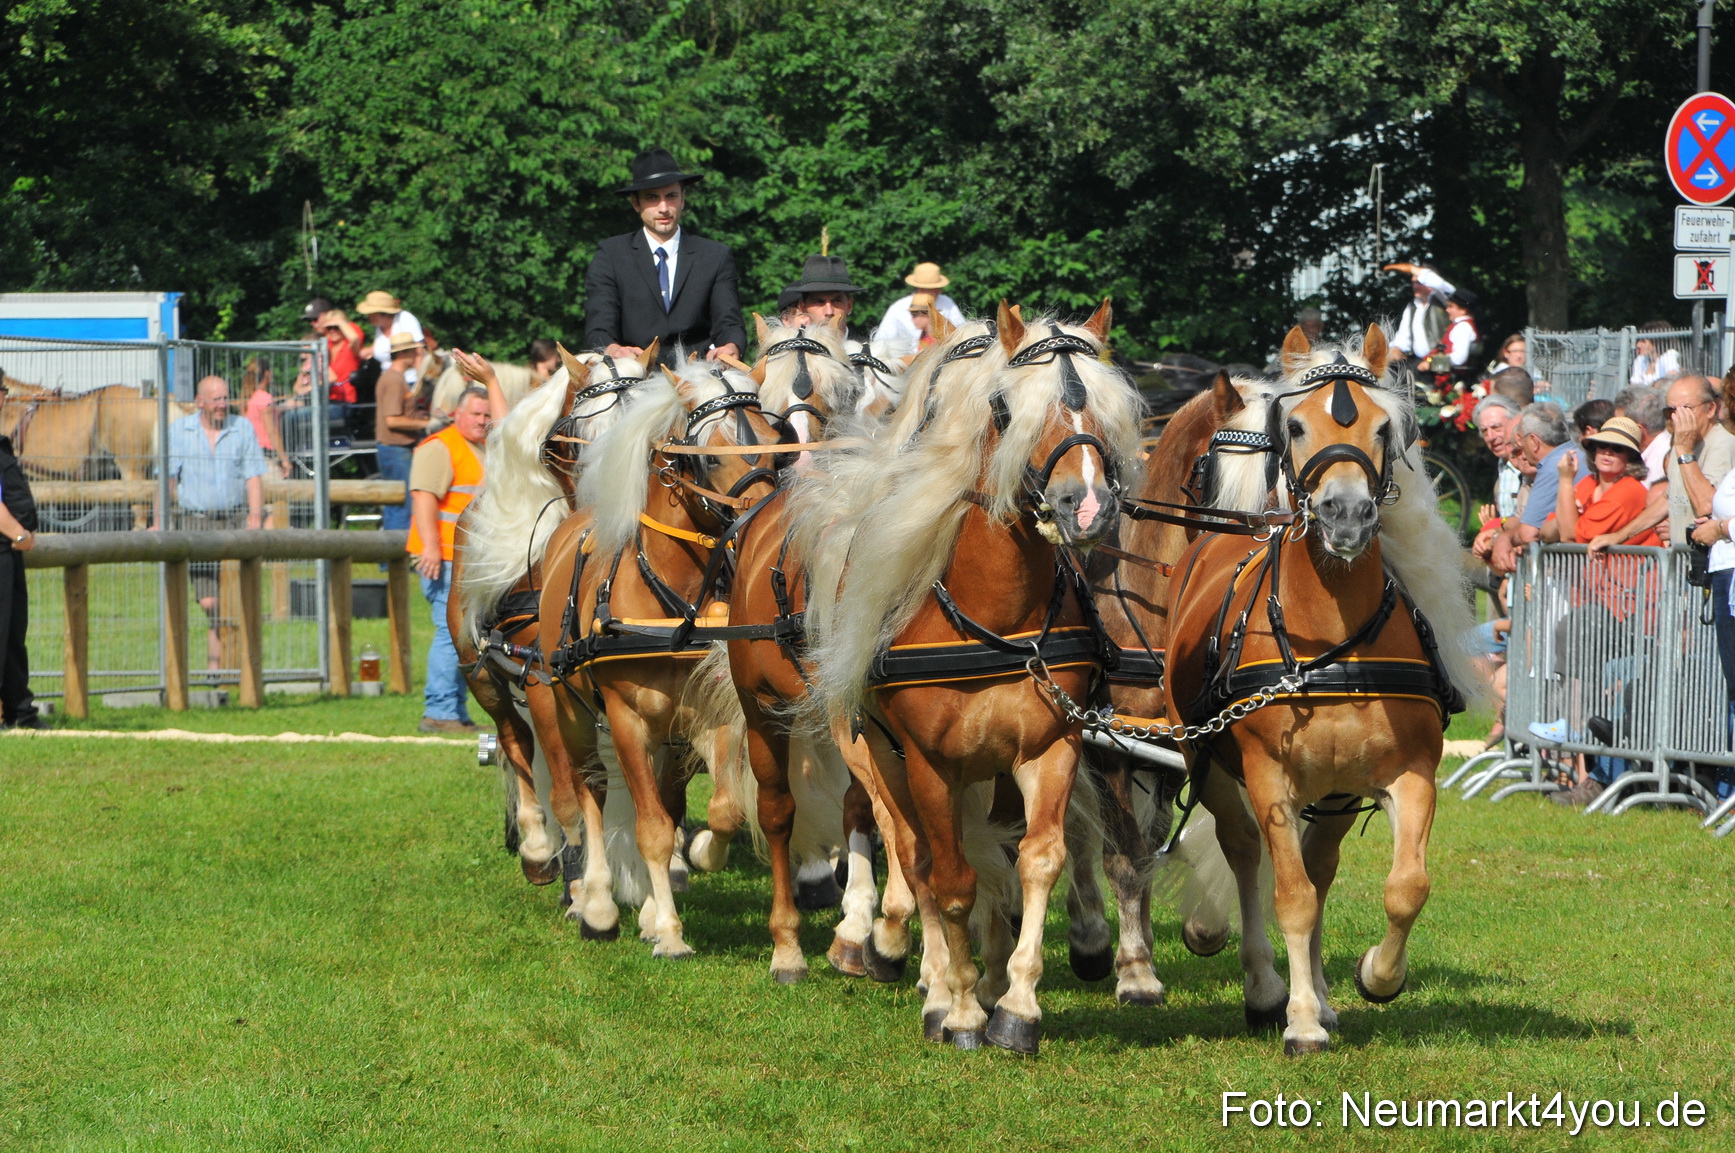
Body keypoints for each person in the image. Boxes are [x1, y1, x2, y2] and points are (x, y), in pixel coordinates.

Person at [583, 148, 745, 365]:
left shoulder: (715, 256)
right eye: (652, 198)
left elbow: (729, 323)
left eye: (671, 196)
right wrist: (614, 349)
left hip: (698, 378)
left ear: (682, 199)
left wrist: (731, 347)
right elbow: (599, 328)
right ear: (635, 203)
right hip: (633, 374)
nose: (664, 207)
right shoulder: (611, 255)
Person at [164, 375, 267, 669]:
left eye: (225, 398)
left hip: (235, 522)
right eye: (216, 399)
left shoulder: (242, 428)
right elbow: (168, 480)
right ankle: (222, 657)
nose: (222, 405)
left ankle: (218, 668)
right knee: (209, 601)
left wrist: (255, 519)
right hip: (195, 524)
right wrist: (159, 519)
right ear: (200, 402)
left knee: (236, 597)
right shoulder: (180, 431)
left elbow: (253, 476)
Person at [407, 387, 490, 733]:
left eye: (487, 415)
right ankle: (439, 711)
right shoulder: (440, 447)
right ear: (457, 413)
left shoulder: (480, 449)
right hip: (442, 556)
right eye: (476, 414)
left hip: (467, 557)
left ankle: (452, 710)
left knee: (463, 635)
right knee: (449, 632)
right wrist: (429, 548)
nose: (483, 421)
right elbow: (423, 498)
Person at [0, 379, 41, 729]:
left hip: (10, 553)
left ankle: (20, 712)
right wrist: (18, 531)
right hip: (5, 544)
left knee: (13, 633)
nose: (3, 398)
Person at [1664, 375, 1735, 549]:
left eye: (1685, 409)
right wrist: (1619, 535)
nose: (1677, 418)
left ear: (1710, 409)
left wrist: (1684, 451)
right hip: (1682, 559)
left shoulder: (1722, 443)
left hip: (1709, 560)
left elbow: (1706, 506)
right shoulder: (1683, 442)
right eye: (1671, 411)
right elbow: (1670, 496)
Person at [374, 331, 431, 534]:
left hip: (395, 450)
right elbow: (392, 419)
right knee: (402, 505)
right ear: (404, 354)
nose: (417, 356)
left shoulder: (394, 378)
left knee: (396, 504)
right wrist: (426, 424)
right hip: (396, 449)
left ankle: (389, 559)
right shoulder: (394, 381)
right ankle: (394, 557)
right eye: (414, 352)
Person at [874, 262, 966, 360]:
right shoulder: (898, 308)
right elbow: (881, 342)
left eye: (938, 287)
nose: (938, 291)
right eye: (933, 288)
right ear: (921, 288)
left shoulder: (947, 302)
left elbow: (962, 332)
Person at [1384, 262, 1452, 372]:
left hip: (1443, 362)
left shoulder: (1444, 299)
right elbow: (1402, 340)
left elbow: (1439, 283)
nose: (1415, 286)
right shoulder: (1412, 307)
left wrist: (1410, 268)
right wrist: (1390, 353)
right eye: (1413, 282)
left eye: (1419, 282)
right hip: (1420, 363)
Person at [776, 254, 866, 336]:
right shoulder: (792, 353)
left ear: (849, 305)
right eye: (819, 301)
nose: (829, 312)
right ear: (803, 307)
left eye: (837, 301)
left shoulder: (869, 351)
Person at [1629, 321, 1682, 387]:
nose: (1638, 345)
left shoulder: (1669, 356)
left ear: (1656, 341)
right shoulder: (1640, 360)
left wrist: (1649, 376)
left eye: (1643, 341)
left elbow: (1671, 383)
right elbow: (1633, 387)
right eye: (1638, 341)